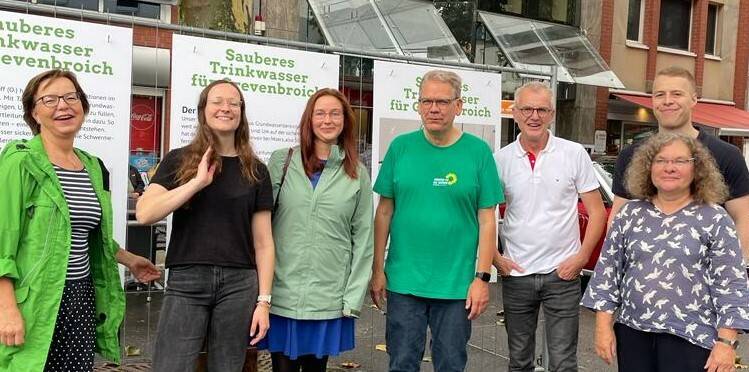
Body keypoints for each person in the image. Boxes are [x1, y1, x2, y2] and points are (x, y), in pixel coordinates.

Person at [0, 69, 160, 371]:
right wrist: (6, 308)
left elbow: (82, 233)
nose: (63, 105)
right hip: (34, 300)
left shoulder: (90, 165)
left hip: (81, 298)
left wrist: (128, 259)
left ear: (83, 106)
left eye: (71, 97)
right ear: (34, 112)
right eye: (49, 99)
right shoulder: (20, 161)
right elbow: (1, 239)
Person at [136, 79, 275, 371]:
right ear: (203, 110)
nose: (225, 108)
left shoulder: (257, 170)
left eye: (233, 103)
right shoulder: (179, 159)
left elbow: (263, 242)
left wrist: (263, 301)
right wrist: (197, 182)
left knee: (227, 367)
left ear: (241, 112)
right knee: (171, 366)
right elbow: (146, 213)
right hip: (188, 279)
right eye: (217, 101)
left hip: (239, 284)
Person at [370, 70, 503, 372]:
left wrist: (482, 279)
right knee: (402, 363)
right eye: (426, 100)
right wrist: (378, 269)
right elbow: (384, 212)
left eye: (442, 101)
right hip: (404, 283)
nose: (433, 108)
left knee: (451, 365)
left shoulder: (478, 152)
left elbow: (487, 221)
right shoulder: (401, 148)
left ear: (459, 106)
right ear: (418, 105)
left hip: (457, 287)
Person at [582, 132, 749, 372]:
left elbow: (732, 285)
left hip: (692, 338)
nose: (669, 168)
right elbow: (608, 273)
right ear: (648, 167)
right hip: (634, 334)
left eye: (680, 161)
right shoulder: (630, 214)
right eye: (660, 160)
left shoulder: (714, 218)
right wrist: (602, 327)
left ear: (696, 168)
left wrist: (726, 343)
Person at [493, 81, 606, 372]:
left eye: (542, 109)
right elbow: (483, 215)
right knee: (519, 361)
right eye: (527, 109)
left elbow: (597, 212)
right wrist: (496, 259)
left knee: (564, 363)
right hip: (517, 274)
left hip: (563, 276)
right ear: (514, 113)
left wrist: (581, 259)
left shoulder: (574, 153)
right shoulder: (500, 160)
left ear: (552, 114)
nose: (534, 116)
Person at [262, 88, 373, 372]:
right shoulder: (281, 161)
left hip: (328, 295)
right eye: (320, 113)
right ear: (309, 120)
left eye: (335, 113)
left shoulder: (357, 173)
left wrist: (353, 296)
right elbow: (260, 225)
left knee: (316, 369)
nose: (327, 120)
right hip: (282, 291)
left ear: (345, 121)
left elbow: (363, 238)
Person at [611, 67, 749, 260]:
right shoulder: (630, 156)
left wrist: (734, 271)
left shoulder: (727, 155)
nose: (667, 101)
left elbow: (743, 219)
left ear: (694, 99)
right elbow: (618, 217)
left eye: (677, 94)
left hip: (707, 279)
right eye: (660, 94)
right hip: (643, 277)